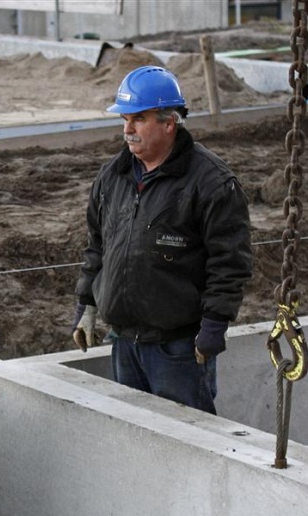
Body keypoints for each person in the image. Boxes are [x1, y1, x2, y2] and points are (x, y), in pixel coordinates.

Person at [72, 66, 252, 415]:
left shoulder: (210, 183)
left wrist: (214, 325)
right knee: (135, 444)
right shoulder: (113, 176)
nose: (127, 130)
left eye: (138, 119)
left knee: (188, 444)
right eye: (124, 119)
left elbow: (230, 262)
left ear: (169, 123)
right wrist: (86, 305)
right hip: (124, 343)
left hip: (180, 350)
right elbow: (98, 244)